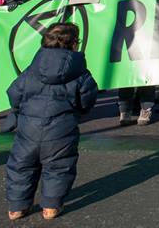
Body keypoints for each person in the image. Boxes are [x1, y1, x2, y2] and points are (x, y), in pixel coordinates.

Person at [5, 23, 98, 221]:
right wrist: (80, 111)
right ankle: (51, 206)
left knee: (21, 165)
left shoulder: (32, 69)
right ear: (75, 44)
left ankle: (17, 207)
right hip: (61, 129)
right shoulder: (80, 71)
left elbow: (14, 92)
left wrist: (19, 110)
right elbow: (88, 97)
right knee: (58, 167)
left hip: (28, 127)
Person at [117, 0, 159, 125]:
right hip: (130, 34)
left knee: (146, 75)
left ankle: (146, 109)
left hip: (151, 35)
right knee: (126, 73)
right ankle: (124, 110)